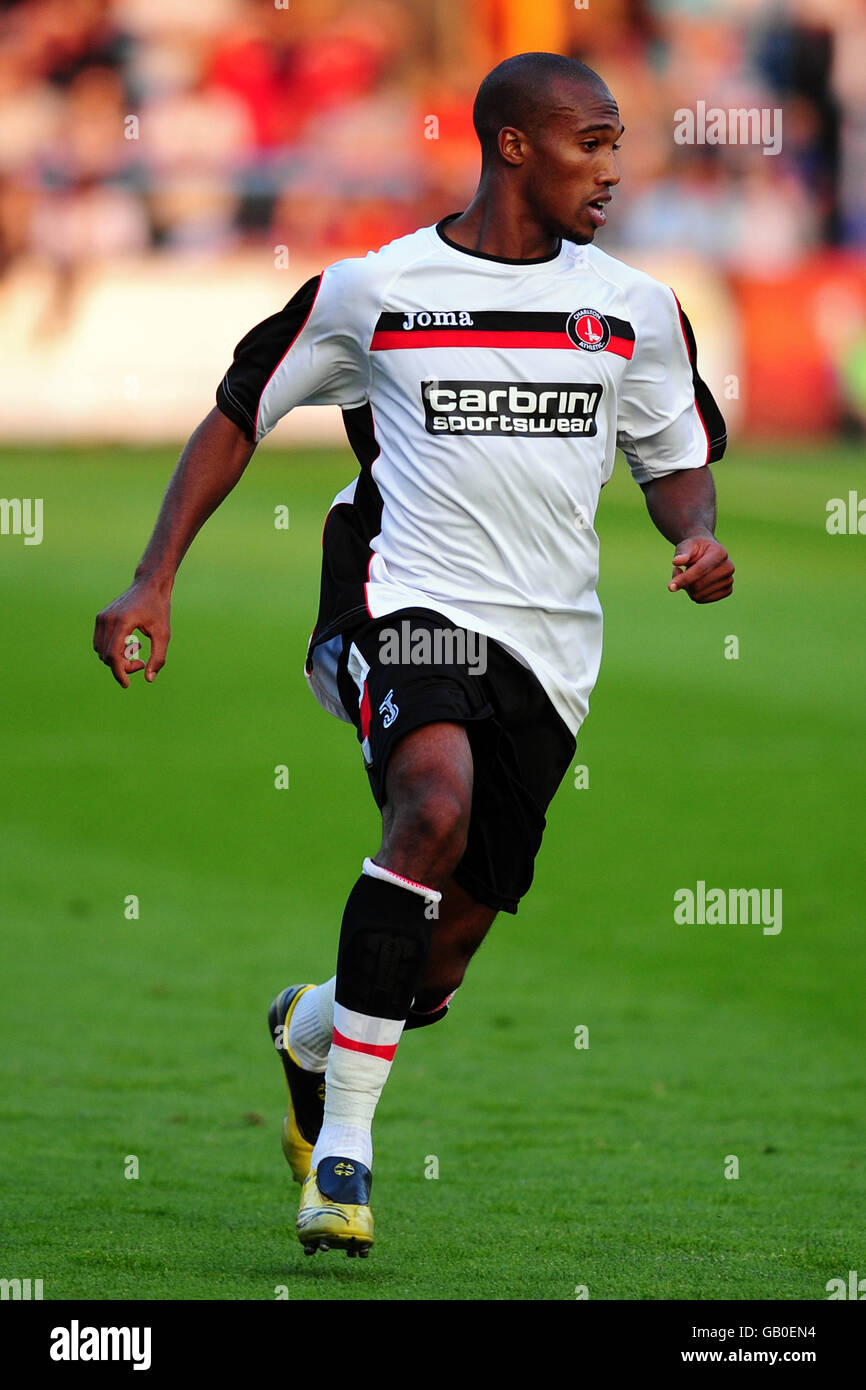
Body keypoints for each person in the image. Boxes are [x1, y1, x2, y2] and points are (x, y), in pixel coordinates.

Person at [93, 51, 734, 1259]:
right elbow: (241, 409)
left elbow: (671, 457)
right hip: (402, 598)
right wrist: (153, 575)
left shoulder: (636, 307)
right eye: (586, 143)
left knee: (435, 959)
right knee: (428, 807)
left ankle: (312, 1027)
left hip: (549, 646)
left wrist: (695, 535)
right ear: (508, 146)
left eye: (615, 143)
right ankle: (341, 1161)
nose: (611, 168)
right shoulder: (377, 288)